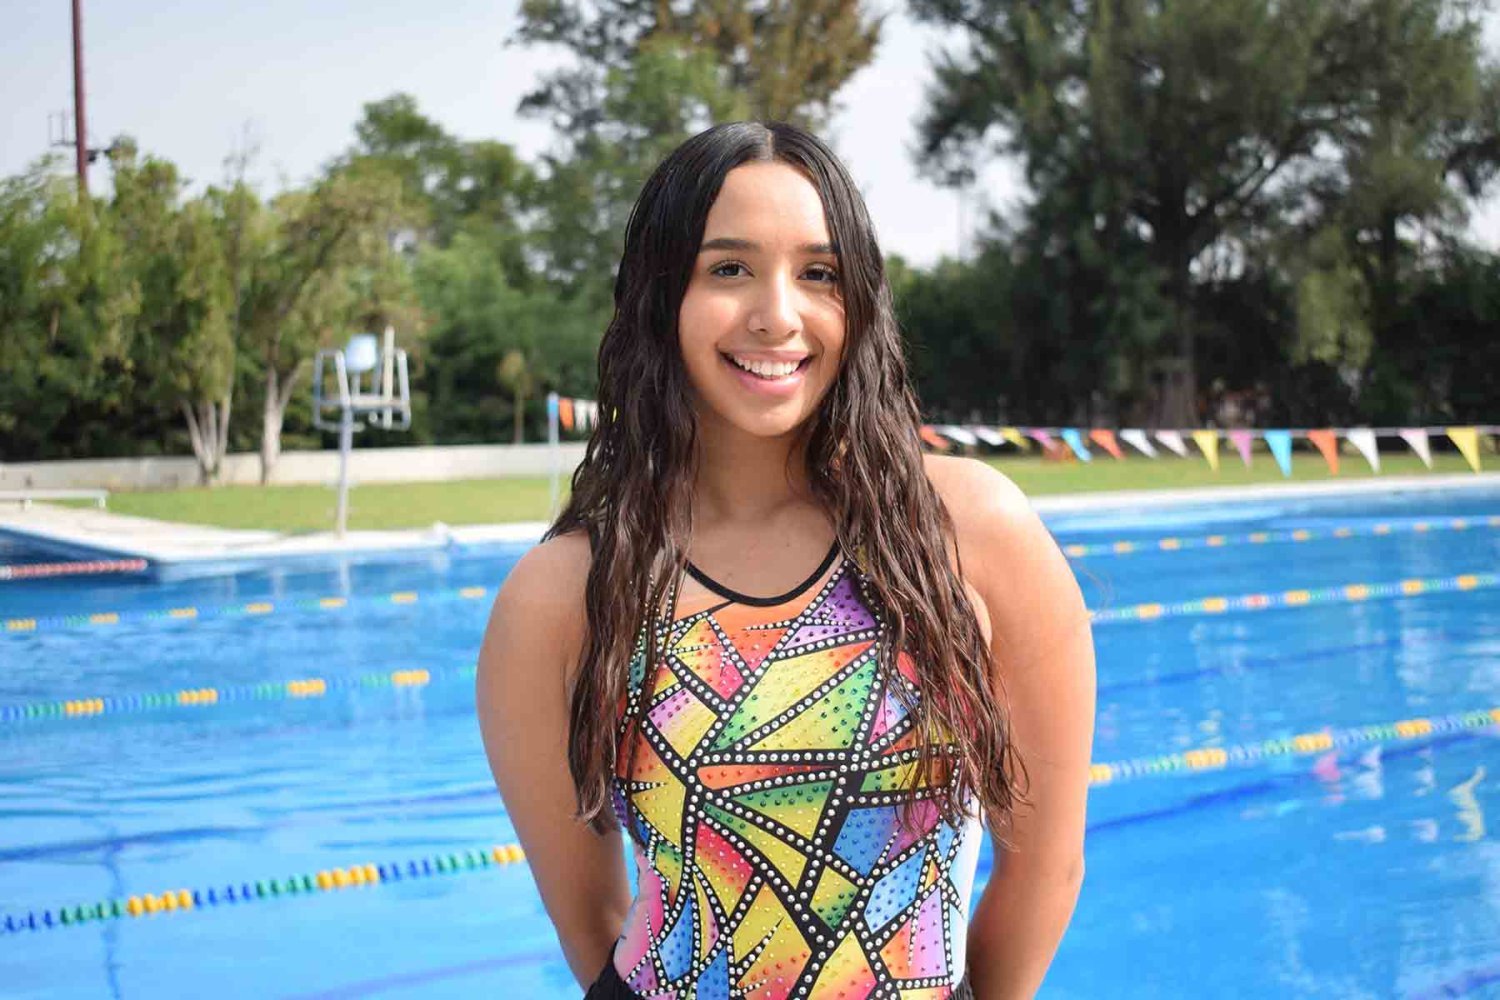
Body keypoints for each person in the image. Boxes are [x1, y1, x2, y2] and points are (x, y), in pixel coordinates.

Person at [476, 120, 1096, 999]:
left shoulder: (966, 531)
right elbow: (590, 920)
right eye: (729, 269)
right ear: (662, 294)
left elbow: (1045, 866)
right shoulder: (567, 593)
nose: (777, 315)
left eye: (818, 274)